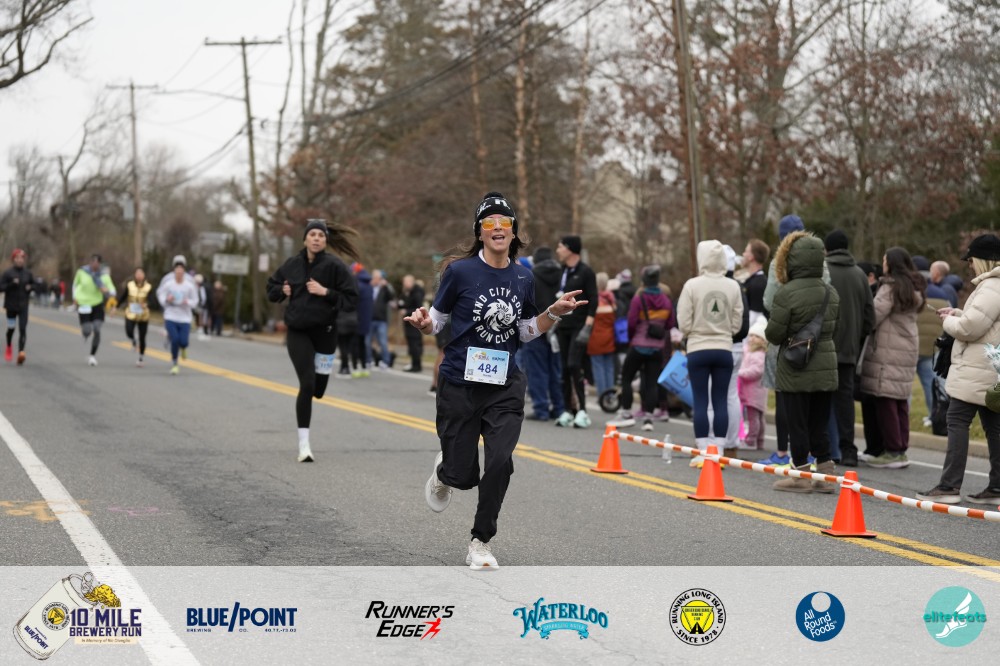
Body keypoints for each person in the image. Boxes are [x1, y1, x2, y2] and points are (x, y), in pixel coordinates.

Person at [405, 191, 587, 570]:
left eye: (505, 221)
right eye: (490, 222)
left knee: (500, 461)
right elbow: (437, 320)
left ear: (513, 231)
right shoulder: (459, 272)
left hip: (504, 384)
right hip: (459, 383)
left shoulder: (524, 276)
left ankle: (481, 541)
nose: (498, 227)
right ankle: (445, 472)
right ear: (480, 232)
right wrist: (424, 324)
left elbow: (524, 331)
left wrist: (553, 312)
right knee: (463, 475)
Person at [267, 219, 359, 463]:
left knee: (318, 390)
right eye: (313, 234)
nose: (316, 238)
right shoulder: (292, 264)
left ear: (325, 240)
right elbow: (271, 288)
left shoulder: (335, 266)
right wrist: (281, 291)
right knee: (306, 385)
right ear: (305, 239)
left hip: (326, 333)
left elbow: (352, 299)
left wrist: (325, 292)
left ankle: (306, 434)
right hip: (298, 331)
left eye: (321, 235)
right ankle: (304, 445)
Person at [917, 234, 1000, 504]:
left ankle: (949, 487)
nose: (970, 266)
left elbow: (969, 329)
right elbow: (985, 324)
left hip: (977, 368)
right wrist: (957, 313)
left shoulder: (991, 287)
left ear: (983, 260)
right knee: (994, 427)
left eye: (971, 260)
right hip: (992, 367)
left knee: (956, 421)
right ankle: (996, 488)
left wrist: (949, 323)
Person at [765, 231, 840, 492]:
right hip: (826, 365)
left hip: (795, 366)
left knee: (796, 423)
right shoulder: (830, 292)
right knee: (819, 423)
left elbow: (774, 334)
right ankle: (827, 475)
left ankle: (800, 475)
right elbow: (835, 327)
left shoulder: (786, 293)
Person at [677, 239, 744, 464]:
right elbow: (737, 321)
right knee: (720, 400)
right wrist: (725, 331)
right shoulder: (733, 286)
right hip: (724, 348)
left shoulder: (692, 285)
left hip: (698, 348)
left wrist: (692, 332)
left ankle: (703, 449)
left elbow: (683, 322)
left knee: (701, 400)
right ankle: (720, 450)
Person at [858, 247, 925, 469]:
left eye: (885, 260)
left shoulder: (890, 287)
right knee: (900, 401)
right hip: (906, 349)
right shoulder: (912, 286)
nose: (883, 264)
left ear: (892, 264)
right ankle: (901, 449)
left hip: (888, 351)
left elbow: (873, 316)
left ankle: (892, 451)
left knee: (885, 400)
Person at [823, 230, 875, 467]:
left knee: (821, 398)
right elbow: (869, 317)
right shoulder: (859, 275)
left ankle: (824, 449)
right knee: (845, 400)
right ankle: (848, 450)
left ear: (826, 248)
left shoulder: (822, 271)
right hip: (848, 349)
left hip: (822, 347)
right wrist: (856, 338)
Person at [609, 264, 673, 431]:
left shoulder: (639, 299)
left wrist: (632, 337)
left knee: (626, 378)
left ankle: (626, 413)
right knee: (651, 383)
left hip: (638, 345)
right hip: (657, 348)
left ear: (644, 280)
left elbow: (631, 322)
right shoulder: (666, 301)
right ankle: (648, 420)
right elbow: (670, 323)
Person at [553, 235, 599, 428]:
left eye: (560, 246)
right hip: (562, 326)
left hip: (579, 326)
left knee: (574, 364)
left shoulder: (586, 272)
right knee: (564, 368)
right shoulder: (562, 271)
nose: (558, 250)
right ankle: (567, 410)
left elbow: (594, 300)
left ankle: (582, 411)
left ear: (570, 249)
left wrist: (588, 327)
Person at [522, 247, 565, 420]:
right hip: (557, 329)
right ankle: (559, 407)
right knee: (555, 370)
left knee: (536, 370)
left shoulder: (531, 277)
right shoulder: (562, 276)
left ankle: (541, 409)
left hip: (537, 327)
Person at [156, 255, 200, 375]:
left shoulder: (189, 283)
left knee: (184, 342)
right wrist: (166, 300)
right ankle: (175, 362)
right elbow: (160, 294)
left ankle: (183, 347)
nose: (179, 272)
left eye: (181, 269)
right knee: (175, 339)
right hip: (171, 315)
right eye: (177, 269)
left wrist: (187, 302)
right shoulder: (168, 281)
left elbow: (195, 300)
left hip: (185, 317)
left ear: (184, 269)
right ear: (174, 269)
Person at [72, 253, 116, 366]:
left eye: (97, 262)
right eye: (93, 262)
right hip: (84, 304)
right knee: (87, 330)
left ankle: (92, 356)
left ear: (100, 264)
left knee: (97, 329)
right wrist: (74, 298)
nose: (94, 264)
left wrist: (108, 293)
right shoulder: (82, 272)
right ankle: (85, 334)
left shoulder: (104, 276)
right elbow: (75, 285)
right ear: (90, 262)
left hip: (97, 305)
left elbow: (112, 289)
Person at [738, 318, 768, 450]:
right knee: (758, 418)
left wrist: (741, 373)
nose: (752, 339)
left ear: (763, 341)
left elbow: (756, 371)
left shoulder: (760, 354)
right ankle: (759, 441)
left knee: (754, 418)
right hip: (752, 391)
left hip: (754, 393)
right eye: (751, 335)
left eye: (756, 336)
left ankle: (751, 440)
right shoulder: (748, 350)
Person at [587, 272, 617, 401]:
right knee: (609, 367)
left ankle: (602, 396)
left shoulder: (594, 300)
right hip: (610, 337)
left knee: (598, 368)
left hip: (595, 338)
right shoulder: (611, 299)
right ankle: (610, 395)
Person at [1, 249, 33, 365]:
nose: (20, 260)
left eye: (22, 258)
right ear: (13, 259)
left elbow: (34, 284)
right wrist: (11, 284)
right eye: (17, 258)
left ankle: (21, 352)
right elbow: (1, 287)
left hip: (23, 305)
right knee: (11, 329)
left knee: (23, 328)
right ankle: (9, 346)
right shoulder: (8, 273)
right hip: (11, 306)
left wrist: (30, 288)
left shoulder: (28, 273)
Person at [118, 267, 152, 367]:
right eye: (137, 273)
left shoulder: (148, 287)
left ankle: (141, 358)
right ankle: (133, 339)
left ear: (144, 275)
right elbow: (123, 297)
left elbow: (152, 300)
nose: (139, 275)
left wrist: (146, 304)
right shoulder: (130, 285)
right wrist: (115, 307)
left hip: (143, 314)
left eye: (141, 273)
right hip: (131, 313)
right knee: (129, 331)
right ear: (135, 275)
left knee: (142, 337)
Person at [399, 275, 425, 372]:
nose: (404, 284)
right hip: (408, 323)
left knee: (415, 344)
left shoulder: (417, 292)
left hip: (415, 323)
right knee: (411, 344)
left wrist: (407, 311)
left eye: (406, 282)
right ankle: (414, 363)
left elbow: (418, 307)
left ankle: (417, 365)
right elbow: (401, 303)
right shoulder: (406, 292)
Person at [370, 269, 395, 368]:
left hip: (381, 320)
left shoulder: (385, 288)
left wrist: (386, 286)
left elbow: (391, 297)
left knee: (383, 341)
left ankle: (386, 361)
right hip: (370, 319)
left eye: (379, 278)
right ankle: (369, 359)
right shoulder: (369, 287)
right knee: (368, 341)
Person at [741, 239, 770, 325]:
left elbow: (755, 316)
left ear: (751, 257)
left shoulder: (758, 284)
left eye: (746, 251)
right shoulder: (752, 281)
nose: (743, 254)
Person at [353, 263, 373, 378]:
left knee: (355, 345)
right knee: (363, 344)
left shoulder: (357, 285)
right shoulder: (369, 286)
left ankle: (355, 367)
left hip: (356, 319)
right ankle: (364, 367)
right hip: (366, 321)